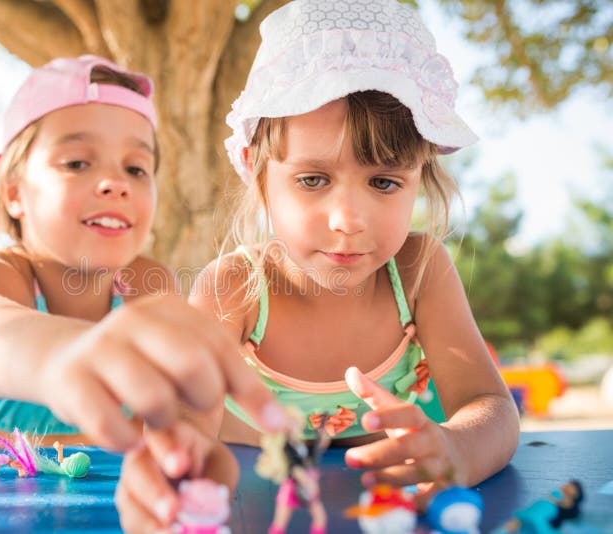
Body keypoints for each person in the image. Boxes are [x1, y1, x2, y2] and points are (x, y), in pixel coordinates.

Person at [117, 0, 520, 531]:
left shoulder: (420, 269)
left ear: (419, 180)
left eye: (383, 182)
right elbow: (182, 426)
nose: (348, 220)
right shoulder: (233, 288)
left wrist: (456, 449)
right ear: (260, 180)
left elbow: (490, 405)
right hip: (254, 499)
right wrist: (174, 474)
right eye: (313, 180)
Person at [0, 55, 286, 455]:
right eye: (76, 162)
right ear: (14, 193)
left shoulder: (146, 286)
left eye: (136, 169)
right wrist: (62, 354)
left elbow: (191, 423)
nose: (114, 183)